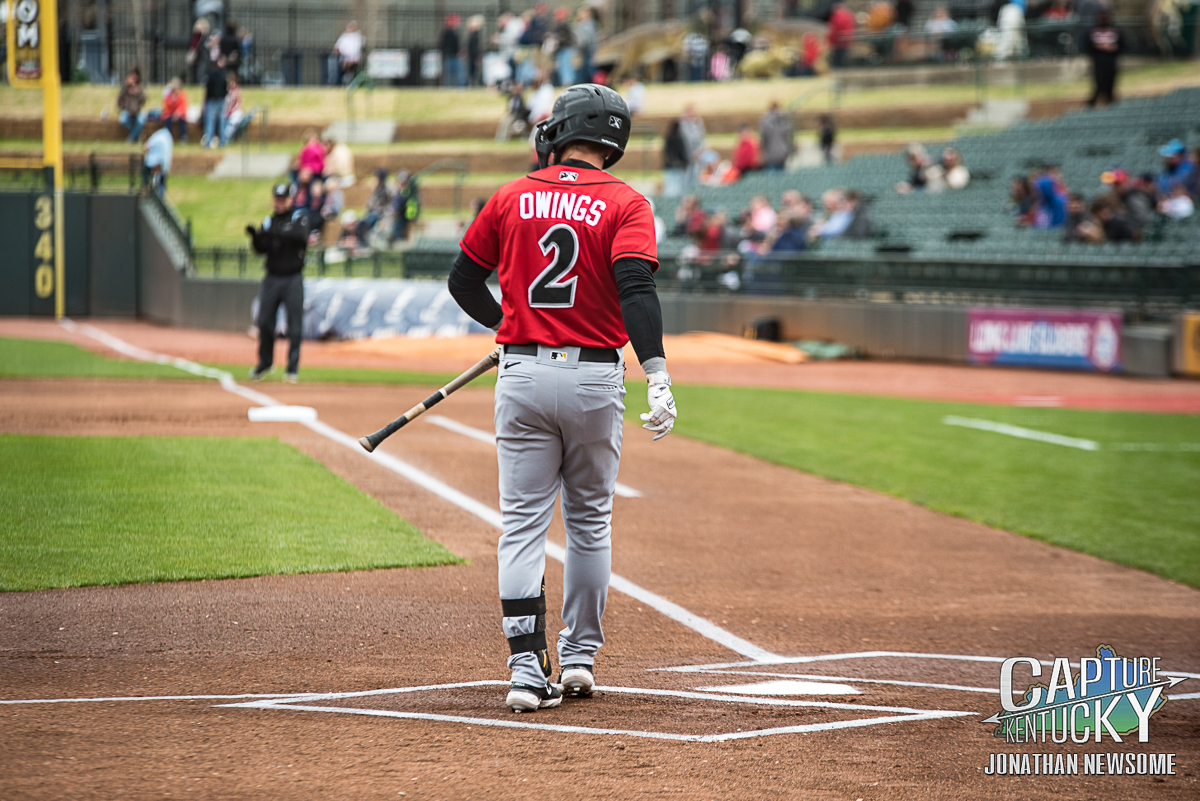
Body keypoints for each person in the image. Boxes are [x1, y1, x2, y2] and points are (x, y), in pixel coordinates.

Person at [447, 84, 674, 714]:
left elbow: (462, 279)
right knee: (590, 523)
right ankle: (577, 660)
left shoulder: (514, 193)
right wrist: (655, 372)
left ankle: (525, 668)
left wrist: (506, 325)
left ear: (562, 129)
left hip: (521, 373)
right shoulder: (628, 203)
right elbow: (635, 287)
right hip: (596, 378)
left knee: (521, 526)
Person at [247, 183, 311, 383]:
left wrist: (272, 233)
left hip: (293, 277)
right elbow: (261, 248)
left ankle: (292, 368)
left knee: (295, 326)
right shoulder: (269, 221)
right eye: (277, 198)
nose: (279, 203)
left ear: (290, 200)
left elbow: (299, 236)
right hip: (272, 277)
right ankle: (265, 363)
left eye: (283, 199)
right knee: (264, 321)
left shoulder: (298, 218)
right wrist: (255, 238)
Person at [1085, 12, 1124, 107]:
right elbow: (1086, 45)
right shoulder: (1092, 31)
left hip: (1111, 60)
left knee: (1111, 81)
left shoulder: (1115, 30)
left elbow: (1123, 44)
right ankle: (1094, 101)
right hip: (1098, 61)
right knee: (1099, 81)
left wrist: (1113, 48)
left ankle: (1110, 99)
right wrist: (1099, 47)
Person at [759, 101, 795, 172]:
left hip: (770, 155)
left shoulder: (765, 121)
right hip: (783, 154)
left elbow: (764, 138)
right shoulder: (784, 120)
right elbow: (788, 137)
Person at [116, 67, 148, 143]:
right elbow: (119, 102)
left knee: (141, 121)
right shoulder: (124, 90)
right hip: (127, 111)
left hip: (137, 112)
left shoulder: (139, 89)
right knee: (122, 120)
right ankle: (137, 135)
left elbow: (143, 100)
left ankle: (131, 138)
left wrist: (137, 92)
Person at [679, 104, 707, 191]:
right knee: (686, 177)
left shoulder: (698, 123)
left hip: (697, 156)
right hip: (687, 156)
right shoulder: (683, 124)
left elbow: (702, 138)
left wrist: (699, 152)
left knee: (696, 175)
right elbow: (684, 140)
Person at [202, 56, 228, 148]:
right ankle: (222, 141)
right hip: (221, 99)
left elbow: (208, 89)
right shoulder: (223, 74)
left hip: (212, 100)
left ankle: (208, 141)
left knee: (210, 120)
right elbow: (226, 88)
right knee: (222, 120)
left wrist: (206, 100)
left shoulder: (210, 75)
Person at [142, 126, 173, 198]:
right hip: (163, 163)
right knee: (160, 183)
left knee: (148, 181)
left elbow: (146, 147)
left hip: (155, 162)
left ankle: (148, 196)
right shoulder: (167, 136)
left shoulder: (157, 136)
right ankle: (160, 198)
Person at [662, 118, 690, 197]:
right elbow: (682, 152)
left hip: (670, 165)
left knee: (670, 186)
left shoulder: (668, 137)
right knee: (676, 187)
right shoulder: (678, 138)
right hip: (677, 166)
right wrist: (685, 162)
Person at [827, 2, 856, 68]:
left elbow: (835, 29)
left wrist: (830, 40)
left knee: (837, 60)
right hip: (847, 40)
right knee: (843, 58)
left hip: (839, 41)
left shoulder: (837, 16)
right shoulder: (848, 15)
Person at [334, 21, 363, 85]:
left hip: (353, 59)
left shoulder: (357, 37)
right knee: (340, 70)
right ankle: (339, 84)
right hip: (343, 58)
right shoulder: (344, 36)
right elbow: (337, 47)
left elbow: (355, 50)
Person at [161, 78, 189, 144]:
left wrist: (177, 113)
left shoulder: (182, 94)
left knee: (182, 121)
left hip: (179, 113)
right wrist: (171, 101)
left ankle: (183, 137)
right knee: (167, 120)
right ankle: (168, 137)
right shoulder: (168, 94)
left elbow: (183, 106)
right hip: (170, 113)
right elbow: (166, 106)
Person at [221, 69, 245, 144]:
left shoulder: (237, 90)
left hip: (233, 112)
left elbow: (237, 103)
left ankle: (226, 138)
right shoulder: (227, 89)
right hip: (226, 111)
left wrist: (232, 110)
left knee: (233, 120)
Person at [441, 14, 464, 88]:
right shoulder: (448, 32)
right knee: (450, 73)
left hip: (454, 55)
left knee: (455, 73)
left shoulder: (454, 32)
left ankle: (455, 86)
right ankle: (449, 86)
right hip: (450, 55)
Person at [466, 15, 484, 87]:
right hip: (472, 55)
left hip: (474, 56)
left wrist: (477, 57)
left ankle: (475, 84)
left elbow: (475, 47)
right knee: (472, 71)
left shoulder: (475, 34)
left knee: (474, 71)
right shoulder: (474, 34)